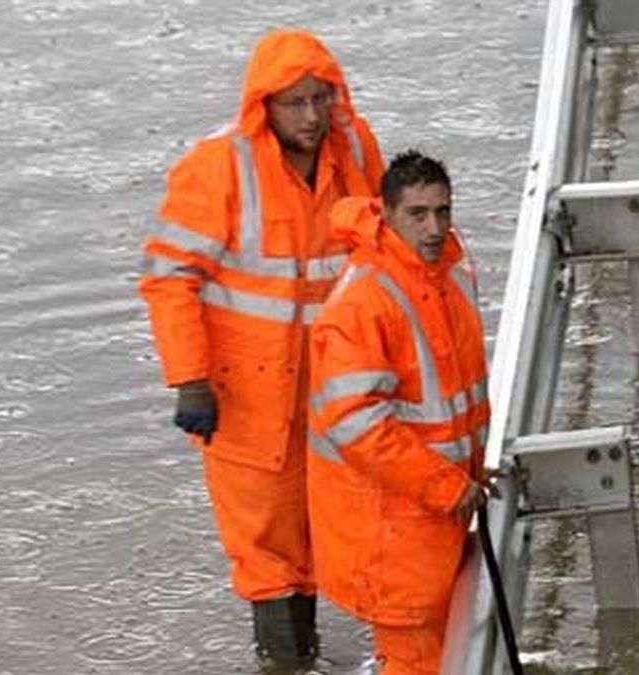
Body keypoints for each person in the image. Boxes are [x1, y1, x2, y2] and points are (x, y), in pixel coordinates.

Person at [138, 29, 385, 669]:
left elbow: (385, 257)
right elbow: (169, 277)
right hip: (245, 396)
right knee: (268, 549)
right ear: (264, 106)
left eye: (320, 99)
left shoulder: (354, 147)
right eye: (294, 103)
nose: (310, 116)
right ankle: (286, 661)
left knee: (345, 524)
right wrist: (189, 381)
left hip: (338, 384)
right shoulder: (217, 166)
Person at [306, 151, 492, 675]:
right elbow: (358, 425)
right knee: (417, 661)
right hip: (393, 528)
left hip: (433, 511)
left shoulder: (448, 272)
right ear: (386, 214)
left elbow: (448, 403)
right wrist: (449, 485)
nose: (434, 227)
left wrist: (470, 474)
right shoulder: (364, 301)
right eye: (418, 214)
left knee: (434, 657)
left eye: (443, 211)